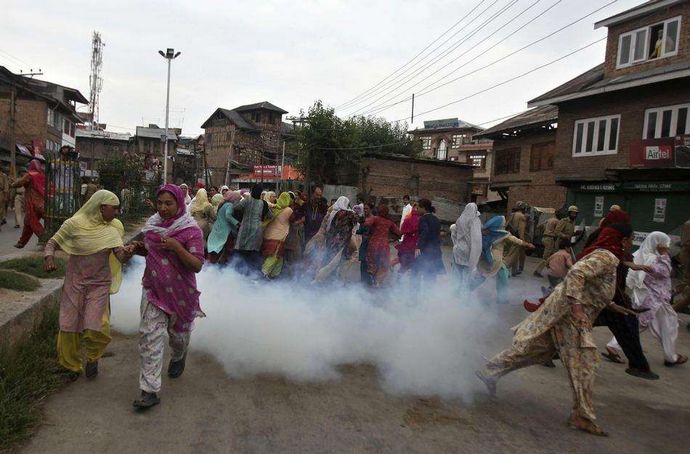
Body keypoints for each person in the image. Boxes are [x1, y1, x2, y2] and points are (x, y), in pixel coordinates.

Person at [477, 224, 638, 436]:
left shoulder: (609, 257)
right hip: (570, 317)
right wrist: (578, 308)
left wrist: (612, 305)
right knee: (584, 362)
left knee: (537, 350)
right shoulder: (606, 257)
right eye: (630, 239)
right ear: (623, 240)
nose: (631, 244)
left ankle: (489, 370)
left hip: (563, 314)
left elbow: (594, 287)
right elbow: (577, 274)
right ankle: (583, 415)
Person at [44, 190, 133, 380]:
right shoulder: (73, 224)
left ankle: (93, 357)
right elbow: (52, 243)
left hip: (99, 285)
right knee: (69, 325)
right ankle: (71, 366)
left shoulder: (111, 231)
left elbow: (121, 256)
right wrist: (49, 258)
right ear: (101, 208)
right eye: (114, 208)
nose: (117, 213)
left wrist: (130, 252)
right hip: (74, 283)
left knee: (97, 325)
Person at [131, 184, 205, 409]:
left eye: (168, 203)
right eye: (159, 203)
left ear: (179, 204)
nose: (162, 208)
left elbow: (197, 265)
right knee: (149, 338)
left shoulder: (191, 230)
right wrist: (136, 248)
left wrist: (176, 247)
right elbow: (148, 249)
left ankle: (179, 355)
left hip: (181, 294)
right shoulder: (152, 227)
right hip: (153, 290)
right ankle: (149, 390)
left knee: (178, 337)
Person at [585, 210, 659, 379]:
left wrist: (630, 266)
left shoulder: (618, 240)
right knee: (574, 328)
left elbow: (618, 262)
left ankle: (639, 365)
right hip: (598, 296)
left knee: (628, 323)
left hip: (613, 295)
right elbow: (594, 265)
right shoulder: (601, 238)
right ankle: (550, 353)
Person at [607, 232, 687, 367]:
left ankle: (614, 345)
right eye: (665, 244)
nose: (667, 247)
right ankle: (671, 357)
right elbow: (664, 272)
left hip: (650, 298)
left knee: (648, 324)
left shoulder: (641, 253)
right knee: (667, 324)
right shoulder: (654, 258)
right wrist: (664, 255)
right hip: (655, 299)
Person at [473, 216, 534, 304]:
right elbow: (516, 241)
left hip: (484, 258)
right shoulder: (503, 234)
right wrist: (528, 244)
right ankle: (502, 298)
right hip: (495, 260)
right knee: (501, 277)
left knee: (483, 275)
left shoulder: (484, 232)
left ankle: (466, 289)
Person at [312, 195, 356, 282]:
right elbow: (329, 230)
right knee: (326, 262)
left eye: (342, 211)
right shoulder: (333, 216)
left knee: (336, 265)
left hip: (342, 247)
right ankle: (322, 281)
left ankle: (332, 284)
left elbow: (348, 232)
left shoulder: (350, 218)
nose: (340, 213)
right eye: (339, 210)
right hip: (330, 244)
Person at [234, 185, 271, 274]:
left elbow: (236, 208)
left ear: (252, 191)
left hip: (245, 228)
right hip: (257, 229)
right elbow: (270, 215)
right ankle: (252, 274)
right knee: (253, 251)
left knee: (242, 251)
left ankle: (239, 273)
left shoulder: (246, 201)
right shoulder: (264, 203)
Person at [363, 204, 402, 286]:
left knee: (372, 264)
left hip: (373, 244)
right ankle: (378, 283)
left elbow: (367, 224)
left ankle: (372, 280)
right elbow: (399, 232)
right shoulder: (389, 222)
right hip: (384, 246)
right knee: (383, 264)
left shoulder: (375, 219)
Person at [11, 158, 45, 248]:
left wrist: (12, 184)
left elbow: (20, 183)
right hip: (43, 202)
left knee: (31, 221)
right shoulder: (42, 175)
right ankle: (21, 242)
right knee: (28, 222)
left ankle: (44, 237)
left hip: (33, 203)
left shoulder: (30, 174)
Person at [261, 192, 293, 278]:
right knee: (274, 256)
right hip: (278, 237)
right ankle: (263, 273)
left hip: (268, 235)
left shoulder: (275, 208)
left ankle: (274, 275)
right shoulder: (288, 210)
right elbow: (293, 219)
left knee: (279, 257)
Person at [450, 203, 482, 288]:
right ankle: (466, 294)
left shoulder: (460, 219)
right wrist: (476, 254)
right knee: (468, 273)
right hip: (468, 250)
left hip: (458, 249)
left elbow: (454, 232)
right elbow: (476, 239)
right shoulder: (474, 220)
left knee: (458, 272)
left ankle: (456, 291)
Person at [207, 191, 241, 265]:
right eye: (238, 199)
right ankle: (222, 264)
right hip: (225, 230)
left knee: (216, 246)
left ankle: (213, 264)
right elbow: (228, 216)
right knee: (227, 247)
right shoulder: (229, 205)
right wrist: (237, 223)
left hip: (218, 228)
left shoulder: (223, 205)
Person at [415, 199, 445, 281]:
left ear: (424, 208)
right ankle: (430, 293)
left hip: (426, 251)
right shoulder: (436, 219)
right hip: (436, 250)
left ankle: (419, 293)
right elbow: (438, 235)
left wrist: (419, 247)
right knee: (432, 275)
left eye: (418, 208)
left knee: (419, 272)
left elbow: (424, 233)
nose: (417, 210)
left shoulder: (423, 219)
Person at [534, 212, 563, 277]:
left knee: (551, 255)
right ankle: (537, 271)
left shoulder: (549, 219)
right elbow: (557, 232)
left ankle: (551, 270)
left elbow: (539, 226)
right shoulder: (557, 221)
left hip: (545, 237)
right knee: (546, 257)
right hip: (550, 239)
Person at [505, 202, 529, 276]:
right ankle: (504, 270)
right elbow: (521, 230)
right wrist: (522, 241)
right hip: (516, 237)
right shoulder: (522, 216)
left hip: (509, 236)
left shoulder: (512, 214)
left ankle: (514, 271)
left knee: (512, 254)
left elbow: (506, 225)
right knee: (513, 255)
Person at [395, 203, 419, 274]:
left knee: (404, 263)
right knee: (414, 266)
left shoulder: (407, 218)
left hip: (407, 244)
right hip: (415, 245)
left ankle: (399, 279)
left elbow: (402, 231)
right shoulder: (421, 219)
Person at [356, 203, 375, 285]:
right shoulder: (363, 219)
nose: (365, 210)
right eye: (364, 209)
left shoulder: (374, 219)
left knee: (370, 263)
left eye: (367, 209)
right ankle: (363, 282)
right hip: (364, 243)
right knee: (363, 262)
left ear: (371, 209)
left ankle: (371, 282)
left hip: (371, 244)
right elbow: (360, 231)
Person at [0, 164, 8, 229]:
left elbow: (6, 186)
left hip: (1, 193)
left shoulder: (3, 175)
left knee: (1, 209)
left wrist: (5, 196)